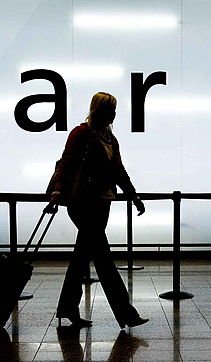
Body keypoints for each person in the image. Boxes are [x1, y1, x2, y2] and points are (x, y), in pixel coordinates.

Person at [47, 92, 148, 329]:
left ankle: (67, 309)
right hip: (83, 202)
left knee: (82, 257)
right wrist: (57, 190)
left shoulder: (110, 138)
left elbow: (118, 171)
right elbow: (66, 162)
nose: (114, 114)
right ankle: (126, 314)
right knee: (103, 259)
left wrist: (133, 194)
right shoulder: (82, 133)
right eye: (110, 109)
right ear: (98, 110)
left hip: (102, 203)